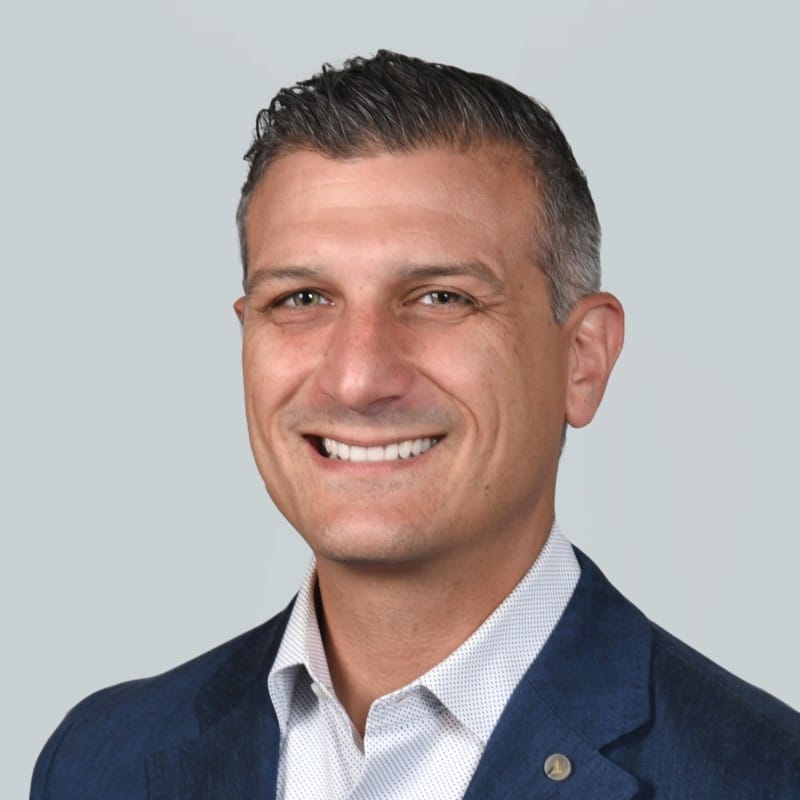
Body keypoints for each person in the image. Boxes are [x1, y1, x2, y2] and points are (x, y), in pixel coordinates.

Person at [31, 50, 800, 799]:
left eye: (441, 297)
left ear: (583, 360)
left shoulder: (765, 775)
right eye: (301, 299)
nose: (358, 378)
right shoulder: (100, 762)